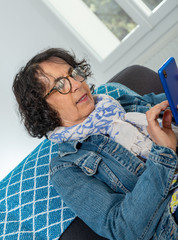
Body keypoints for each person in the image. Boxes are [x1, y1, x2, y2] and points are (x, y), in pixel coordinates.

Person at [12, 48, 178, 239]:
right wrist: (163, 154)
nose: (76, 84)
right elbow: (122, 229)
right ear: (42, 108)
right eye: (61, 84)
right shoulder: (67, 167)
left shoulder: (120, 104)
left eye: (73, 73)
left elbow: (166, 104)